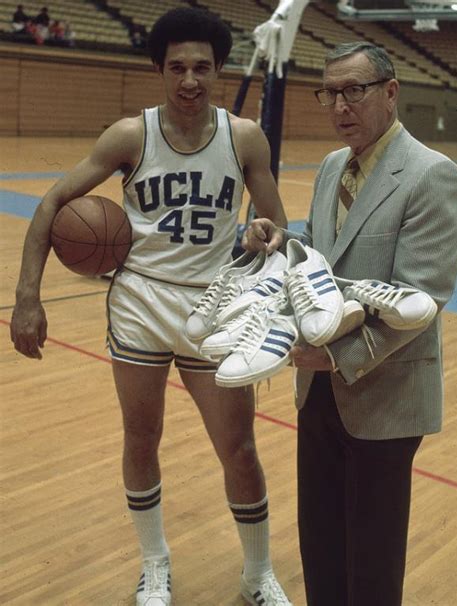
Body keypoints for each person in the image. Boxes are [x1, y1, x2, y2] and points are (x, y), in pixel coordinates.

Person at [10, 7, 291, 606]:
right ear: (160, 70)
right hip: (140, 301)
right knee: (141, 438)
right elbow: (52, 203)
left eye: (202, 68)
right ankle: (155, 565)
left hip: (215, 306)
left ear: (219, 70)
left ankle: (258, 572)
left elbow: (279, 226)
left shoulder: (243, 137)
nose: (190, 80)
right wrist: (26, 298)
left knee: (239, 449)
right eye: (177, 67)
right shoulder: (129, 136)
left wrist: (262, 234)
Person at [243, 41, 457, 606]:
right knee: (320, 545)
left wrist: (337, 356)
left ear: (390, 93)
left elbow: (424, 296)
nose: (341, 105)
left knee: (370, 560)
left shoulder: (430, 175)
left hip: (383, 392)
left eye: (354, 91)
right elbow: (322, 254)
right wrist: (283, 241)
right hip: (316, 387)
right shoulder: (330, 166)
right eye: (331, 93)